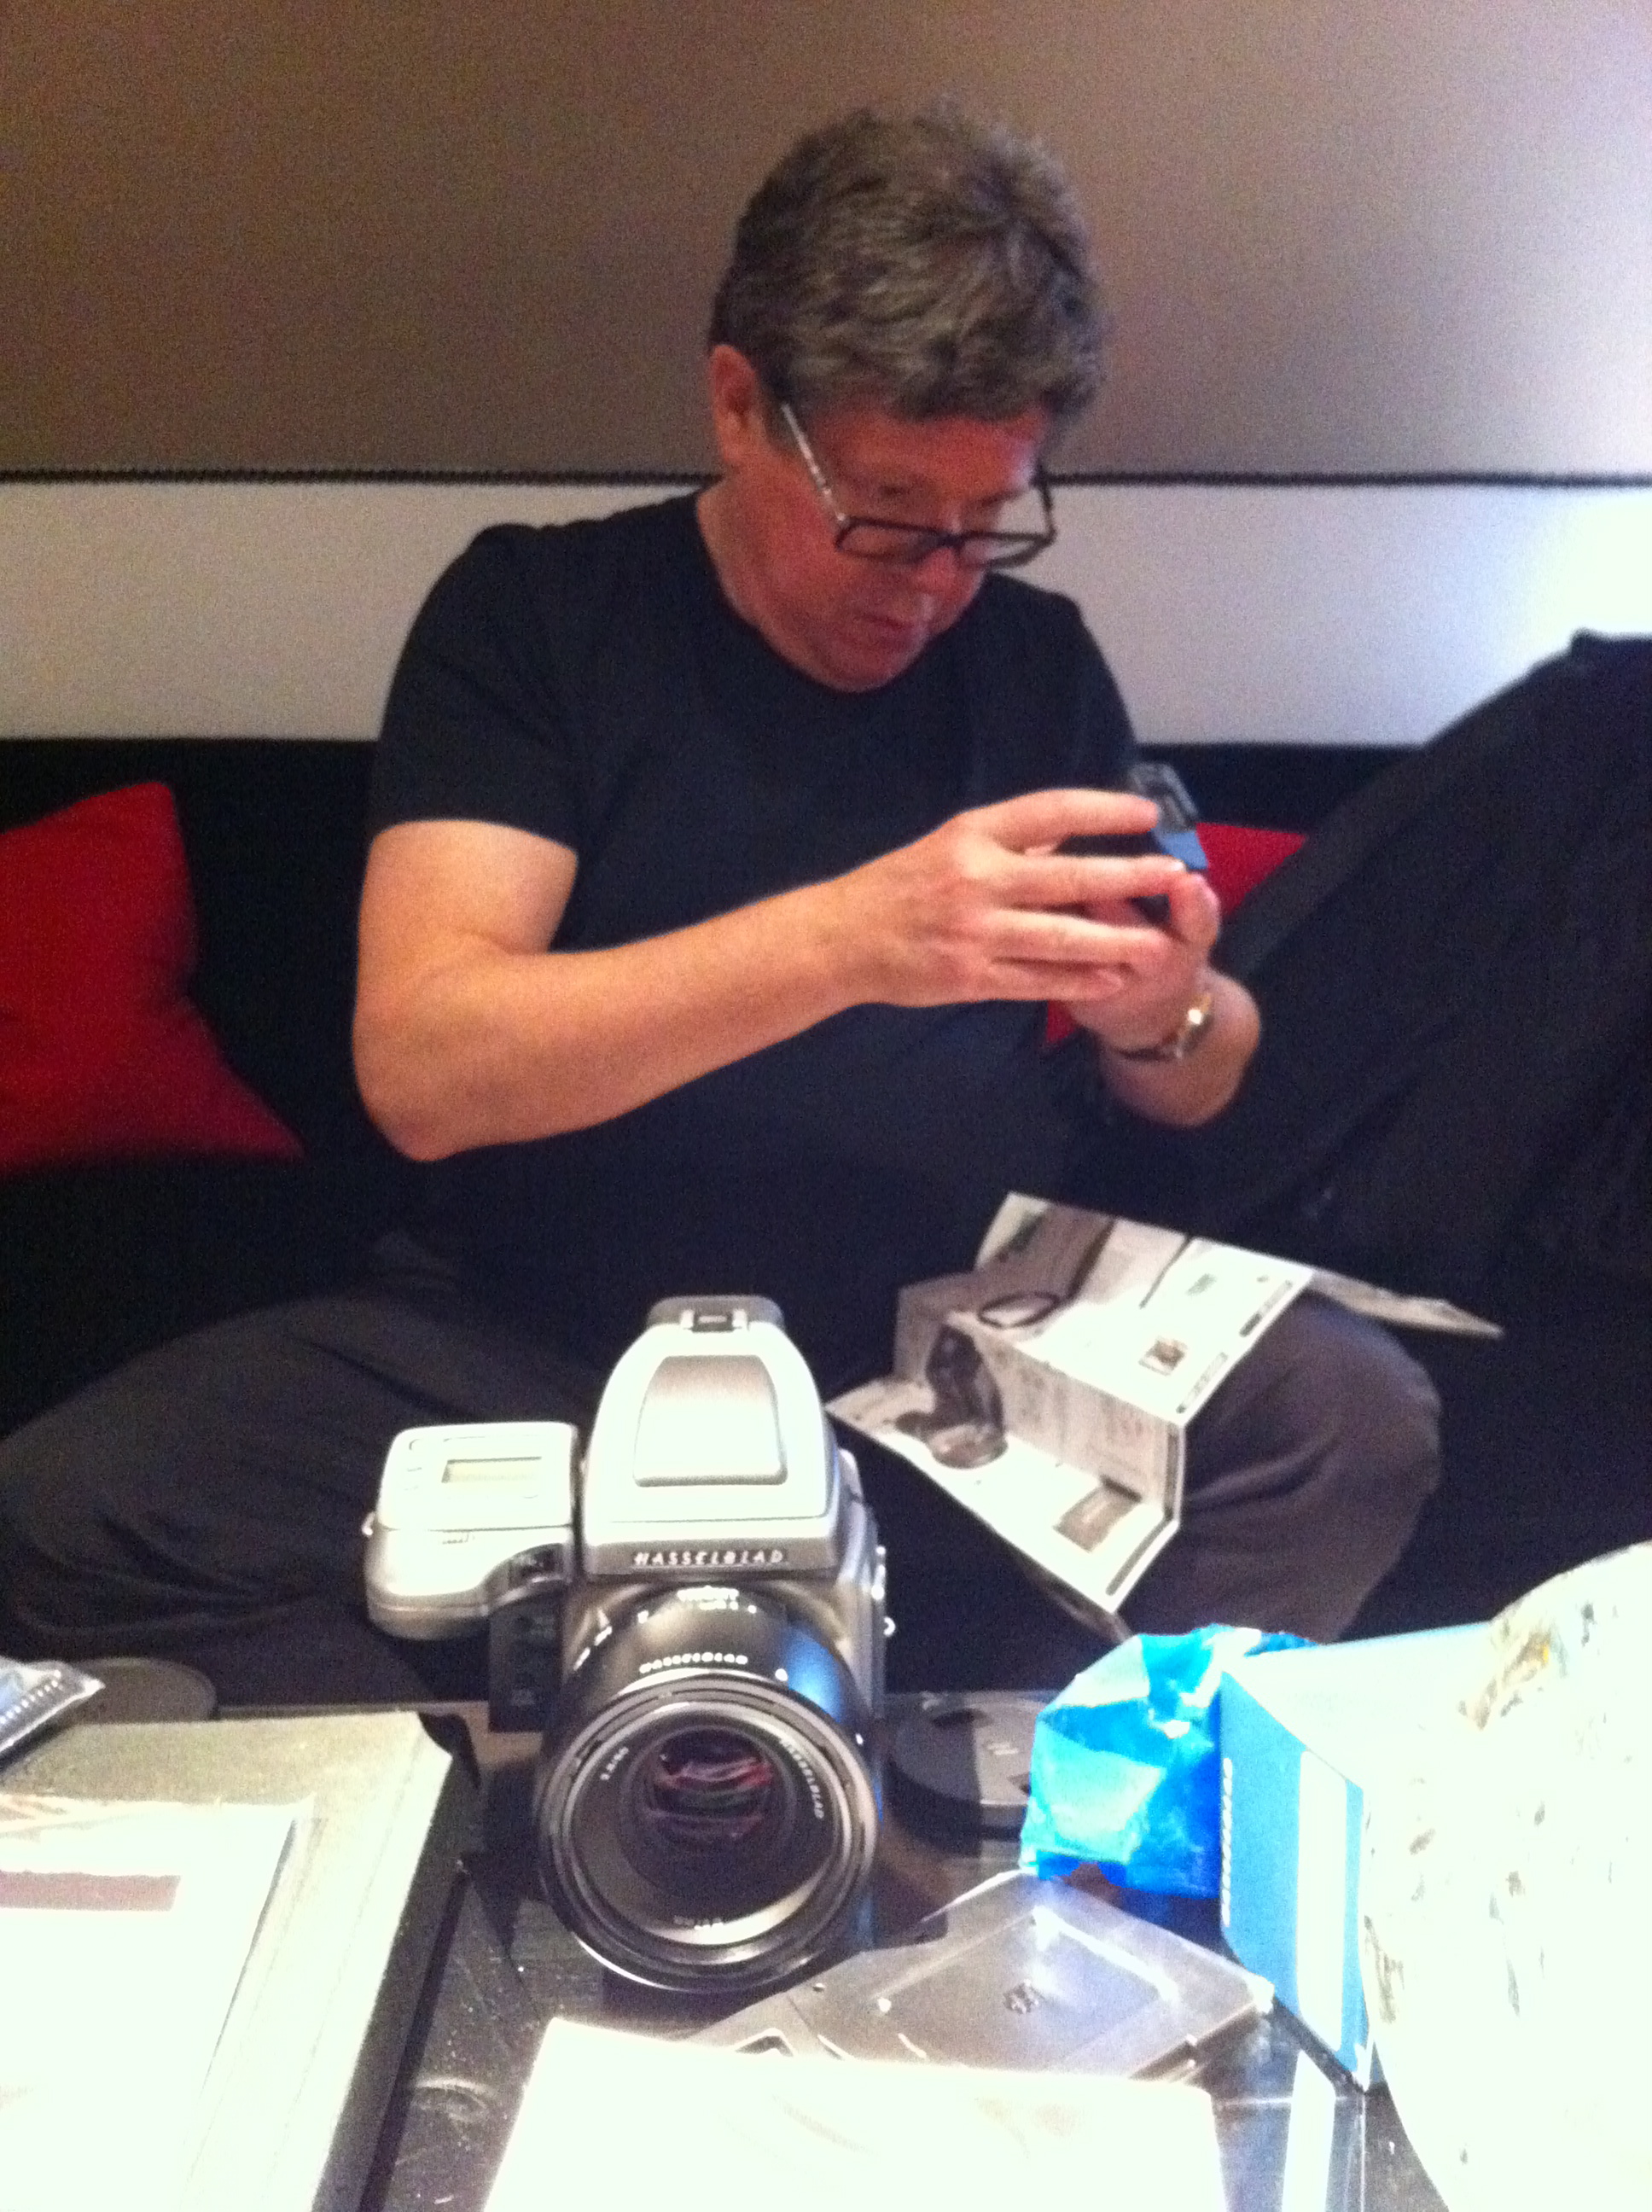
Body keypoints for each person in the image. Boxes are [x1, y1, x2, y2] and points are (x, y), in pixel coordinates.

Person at [0, 108, 1438, 1703]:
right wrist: (856, 937)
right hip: (539, 1344)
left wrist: (1163, 1015)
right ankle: (629, 1717)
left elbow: (1197, 1072)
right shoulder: (538, 617)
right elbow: (424, 1065)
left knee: (1349, 1422)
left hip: (928, 1353)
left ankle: (966, 1752)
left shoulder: (1035, 664)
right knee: (59, 1522)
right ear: (741, 406)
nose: (933, 580)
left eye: (985, 525)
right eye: (886, 507)